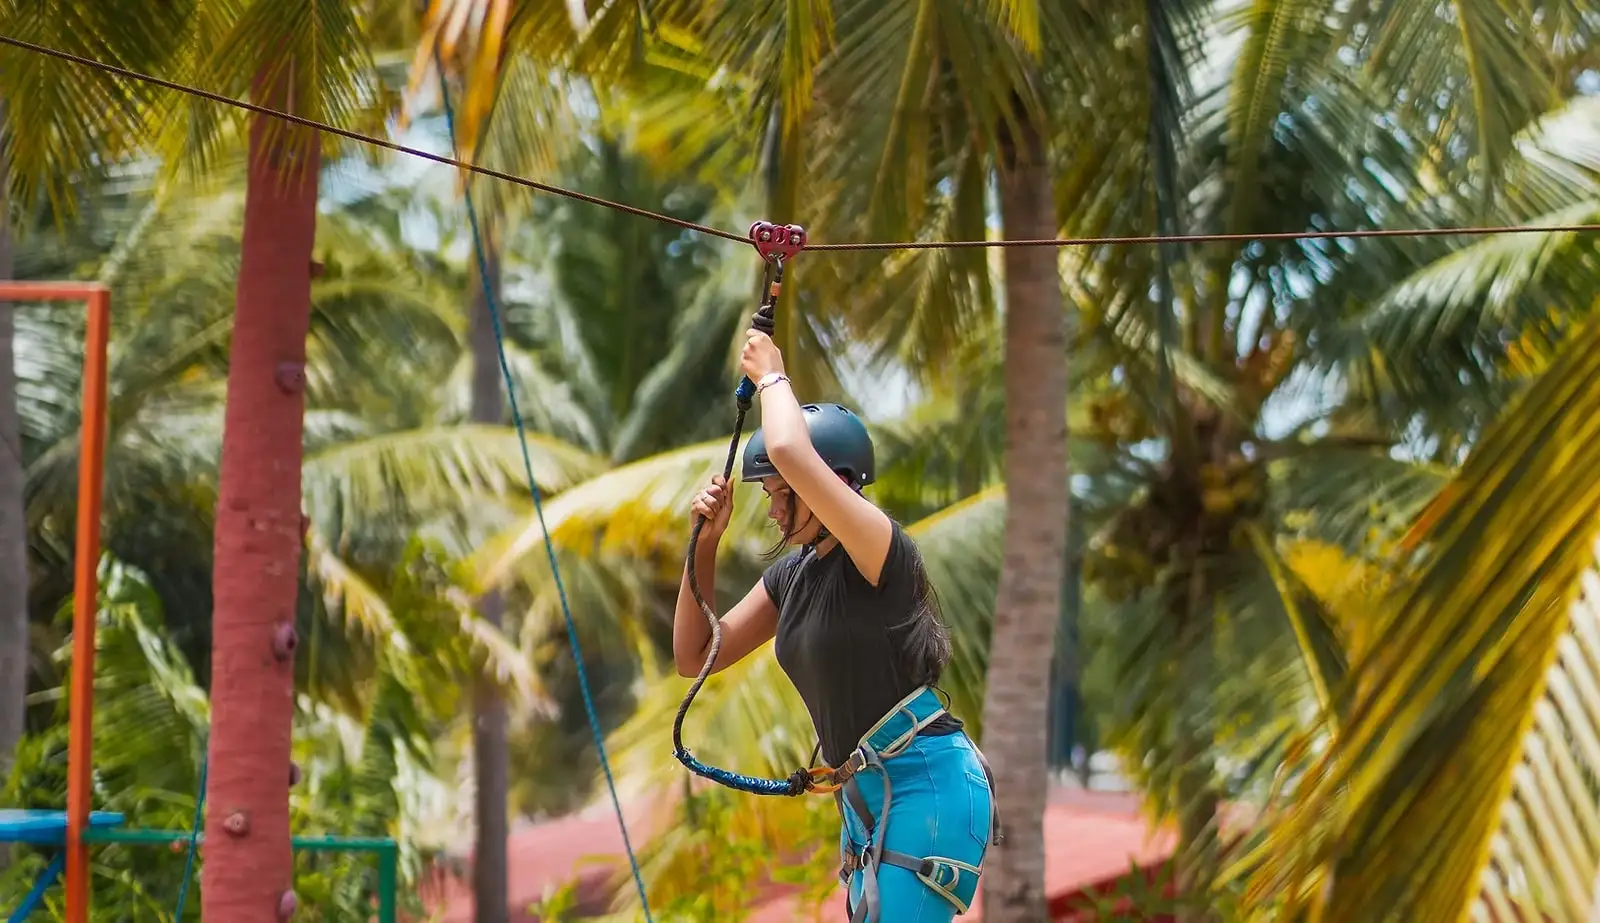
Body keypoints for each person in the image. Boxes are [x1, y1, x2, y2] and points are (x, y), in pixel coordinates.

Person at [672, 327, 1000, 922]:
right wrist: (705, 547)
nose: (772, 509)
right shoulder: (793, 577)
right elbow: (696, 656)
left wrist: (772, 373)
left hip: (925, 783)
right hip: (867, 798)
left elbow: (794, 451)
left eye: (781, 493)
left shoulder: (880, 548)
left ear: (831, 485)